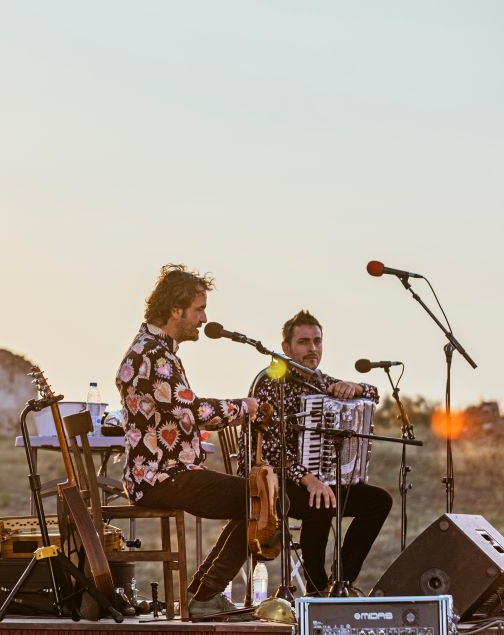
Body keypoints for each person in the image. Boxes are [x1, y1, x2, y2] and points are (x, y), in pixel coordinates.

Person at [116, 264, 259, 619]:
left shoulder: (153, 350)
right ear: (176, 309)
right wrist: (247, 407)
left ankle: (202, 592)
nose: (204, 317)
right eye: (198, 309)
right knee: (260, 499)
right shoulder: (154, 355)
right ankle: (205, 594)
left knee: (256, 499)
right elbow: (192, 409)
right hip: (162, 477)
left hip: (165, 474)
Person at [243, 309, 392, 596]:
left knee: (378, 501)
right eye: (303, 342)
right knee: (318, 501)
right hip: (276, 482)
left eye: (317, 341)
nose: (313, 349)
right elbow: (270, 450)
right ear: (285, 347)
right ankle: (315, 587)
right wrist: (308, 478)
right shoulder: (270, 383)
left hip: (320, 480)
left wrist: (356, 386)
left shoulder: (320, 381)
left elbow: (373, 394)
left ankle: (343, 583)